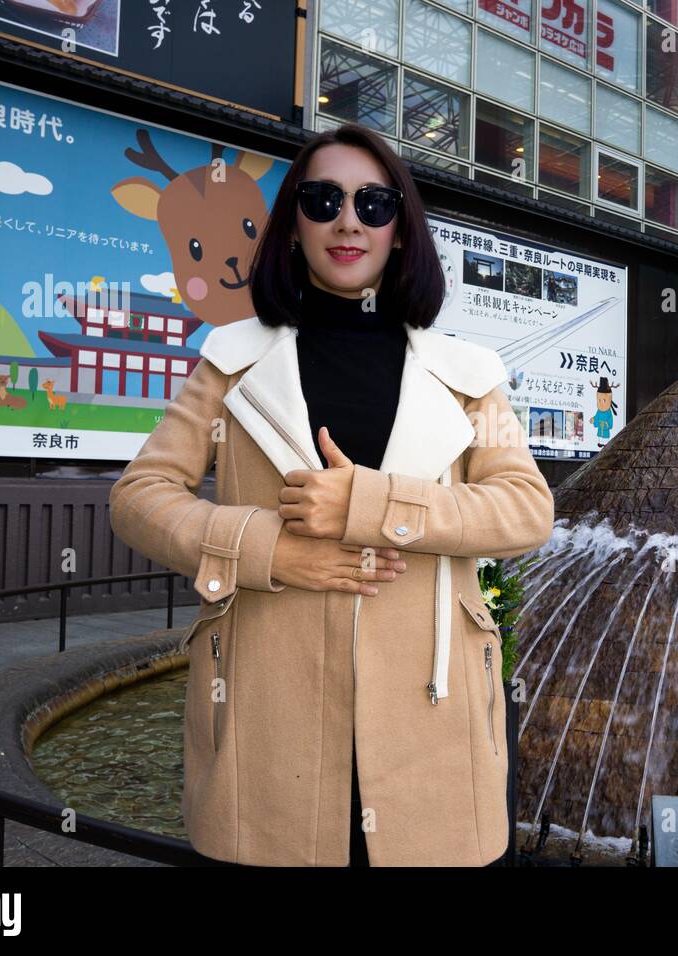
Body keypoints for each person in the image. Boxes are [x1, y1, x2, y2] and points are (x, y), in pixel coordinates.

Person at [108, 122, 555, 867]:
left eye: (375, 204)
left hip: (430, 720)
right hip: (267, 717)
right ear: (291, 228)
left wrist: (370, 506)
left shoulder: (470, 374)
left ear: (401, 233)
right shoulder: (231, 362)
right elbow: (141, 495)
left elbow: (524, 510)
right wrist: (266, 550)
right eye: (322, 199)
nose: (349, 220)